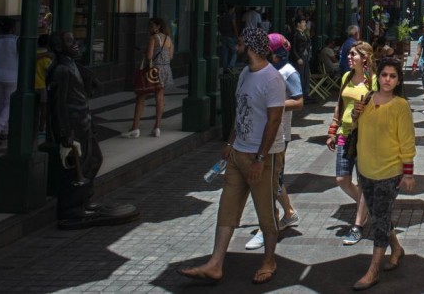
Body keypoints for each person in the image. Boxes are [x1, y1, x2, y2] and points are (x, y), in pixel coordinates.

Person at [179, 27, 285, 285]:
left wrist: (260, 158)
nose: (236, 46)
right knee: (227, 210)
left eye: (239, 43)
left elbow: (274, 122)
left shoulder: (272, 79)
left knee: (266, 212)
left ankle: (269, 260)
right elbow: (241, 111)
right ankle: (215, 264)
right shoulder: (245, 73)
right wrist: (230, 141)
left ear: (250, 46)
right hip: (238, 152)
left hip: (262, 157)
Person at [47, 30, 138, 228]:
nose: (76, 44)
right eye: (70, 42)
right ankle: (72, 210)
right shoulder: (60, 71)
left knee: (94, 160)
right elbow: (58, 106)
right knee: (76, 169)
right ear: (59, 47)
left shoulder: (72, 66)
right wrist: (64, 135)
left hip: (84, 124)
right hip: (73, 128)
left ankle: (84, 201)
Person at [350, 59, 416, 290]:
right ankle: (396, 248)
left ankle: (373, 270)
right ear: (378, 76)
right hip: (365, 169)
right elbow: (352, 128)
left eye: (393, 76)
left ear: (398, 80)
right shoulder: (366, 99)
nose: (387, 79)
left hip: (389, 172)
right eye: (384, 74)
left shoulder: (401, 106)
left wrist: (408, 173)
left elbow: (407, 141)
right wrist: (355, 115)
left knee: (378, 220)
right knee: (381, 215)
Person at [245, 33, 304, 251]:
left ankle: (266, 227)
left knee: (269, 180)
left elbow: (299, 101)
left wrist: (273, 103)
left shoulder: (288, 72)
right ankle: (289, 214)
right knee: (274, 179)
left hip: (278, 133)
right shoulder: (262, 70)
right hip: (258, 132)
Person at [326, 41, 377, 247]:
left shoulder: (371, 81)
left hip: (364, 135)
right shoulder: (347, 77)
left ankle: (358, 224)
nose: (349, 57)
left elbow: (377, 107)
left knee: (363, 180)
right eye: (349, 54)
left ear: (364, 58)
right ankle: (366, 207)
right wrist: (333, 128)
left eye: (353, 54)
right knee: (342, 179)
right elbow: (340, 104)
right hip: (344, 134)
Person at [122, 17, 174, 139]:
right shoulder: (168, 39)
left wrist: (145, 53)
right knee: (160, 98)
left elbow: (149, 56)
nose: (149, 28)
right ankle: (157, 128)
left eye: (151, 26)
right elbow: (170, 56)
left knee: (141, 96)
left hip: (153, 71)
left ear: (158, 27)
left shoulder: (153, 38)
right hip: (165, 70)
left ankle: (135, 128)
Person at [34, 33, 53, 140]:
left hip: (33, 85)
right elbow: (48, 71)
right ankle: (42, 128)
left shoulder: (34, 54)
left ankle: (34, 127)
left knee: (35, 109)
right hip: (42, 86)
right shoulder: (47, 57)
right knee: (44, 109)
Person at [290, 17, 312, 89]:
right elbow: (292, 47)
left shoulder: (304, 34)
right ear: (298, 24)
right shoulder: (295, 34)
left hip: (305, 57)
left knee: (306, 76)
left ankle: (306, 93)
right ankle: (300, 92)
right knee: (300, 76)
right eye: (303, 22)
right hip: (299, 58)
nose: (305, 24)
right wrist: (298, 58)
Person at [218, 3, 239, 73]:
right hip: (230, 36)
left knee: (225, 53)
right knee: (235, 52)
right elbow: (234, 26)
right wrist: (237, 36)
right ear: (232, 8)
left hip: (223, 36)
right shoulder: (231, 16)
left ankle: (224, 69)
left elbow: (219, 26)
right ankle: (230, 66)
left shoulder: (223, 16)